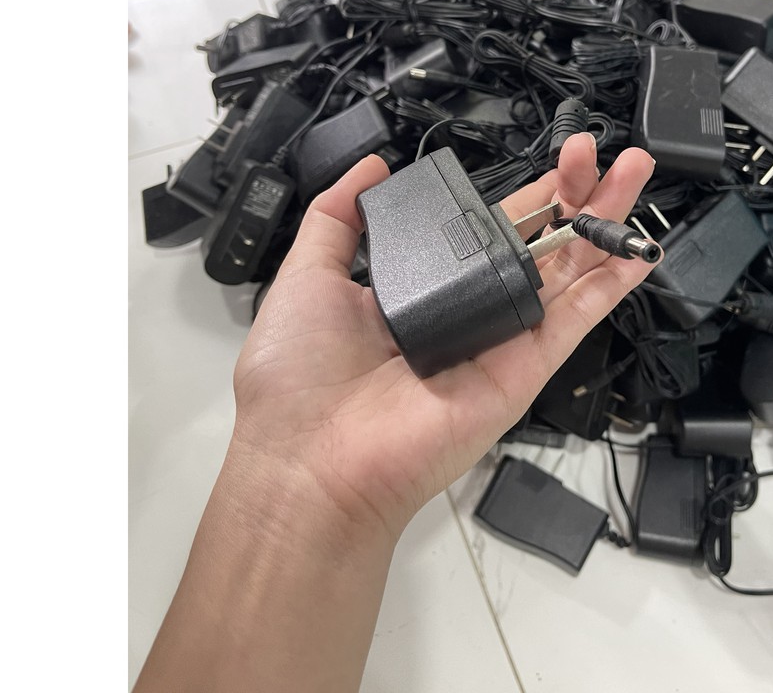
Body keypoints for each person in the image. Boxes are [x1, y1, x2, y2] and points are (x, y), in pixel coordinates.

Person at [133, 134, 660, 692]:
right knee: (502, 264)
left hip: (461, 280)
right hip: (453, 284)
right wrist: (308, 485)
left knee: (506, 263)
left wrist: (305, 490)